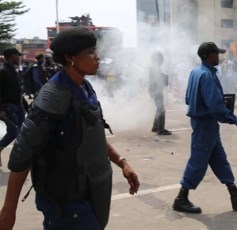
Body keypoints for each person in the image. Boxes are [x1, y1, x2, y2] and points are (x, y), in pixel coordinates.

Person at [0, 27, 140, 230]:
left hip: (88, 195)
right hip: (65, 204)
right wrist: (8, 211)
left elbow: (92, 133)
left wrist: (122, 162)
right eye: (91, 52)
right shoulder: (54, 97)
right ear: (71, 57)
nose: (98, 57)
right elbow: (23, 153)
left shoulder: (84, 88)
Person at [172, 42, 237, 214]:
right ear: (209, 56)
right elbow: (216, 108)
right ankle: (181, 198)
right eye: (217, 54)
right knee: (198, 161)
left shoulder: (196, 72)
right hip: (205, 123)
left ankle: (234, 194)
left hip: (203, 122)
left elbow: (188, 98)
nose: (219, 57)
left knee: (219, 159)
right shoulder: (207, 76)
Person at [0, 47, 26, 167]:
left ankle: (21, 157)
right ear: (12, 56)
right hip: (7, 106)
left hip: (18, 106)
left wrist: (26, 106)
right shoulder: (2, 70)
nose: (19, 58)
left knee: (23, 131)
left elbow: (18, 90)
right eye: (17, 55)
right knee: (14, 131)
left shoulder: (15, 71)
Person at [149, 50, 171, 135]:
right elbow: (157, 81)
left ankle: (155, 127)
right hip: (156, 91)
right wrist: (164, 78)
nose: (162, 61)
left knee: (159, 108)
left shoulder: (154, 68)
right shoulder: (155, 68)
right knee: (161, 109)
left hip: (155, 90)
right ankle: (160, 129)